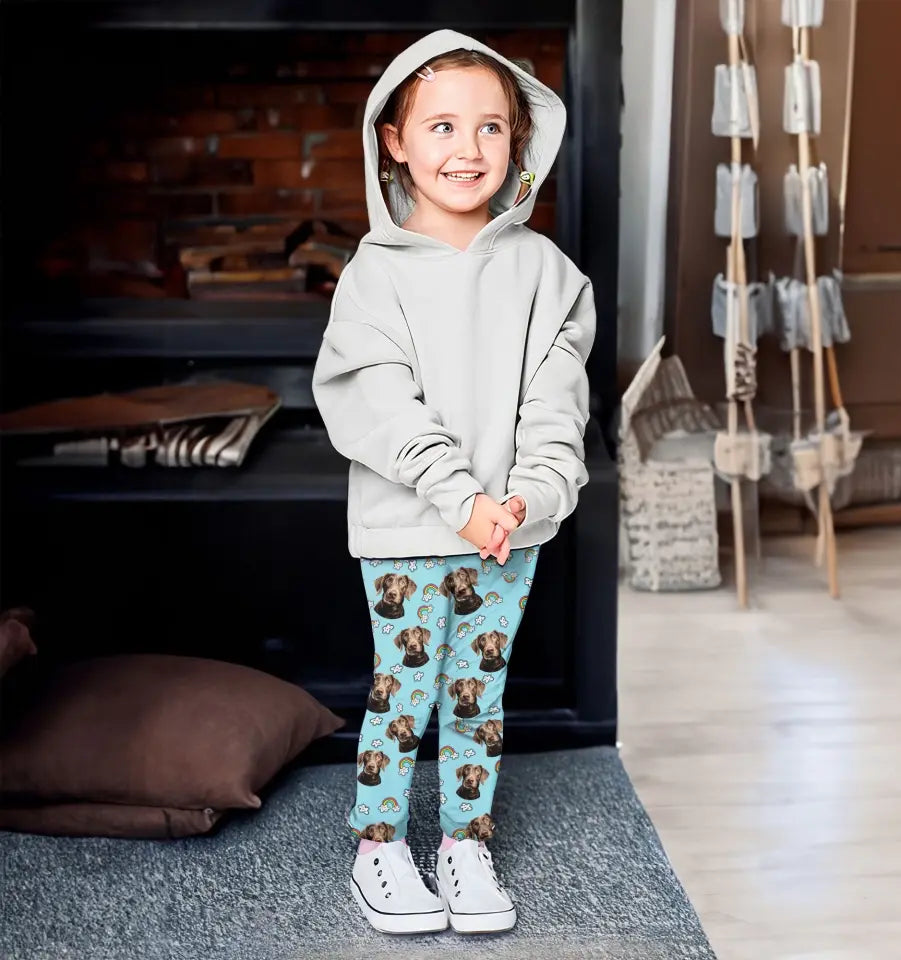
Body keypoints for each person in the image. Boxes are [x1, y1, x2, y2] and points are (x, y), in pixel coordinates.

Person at [312, 29, 595, 936]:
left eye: (490, 128)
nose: (467, 149)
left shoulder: (549, 275)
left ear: (520, 141)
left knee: (480, 688)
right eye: (441, 126)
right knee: (403, 689)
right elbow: (377, 402)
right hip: (409, 528)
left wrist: (530, 496)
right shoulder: (372, 277)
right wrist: (459, 498)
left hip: (510, 530)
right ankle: (379, 845)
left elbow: (557, 400)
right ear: (395, 141)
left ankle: (465, 841)